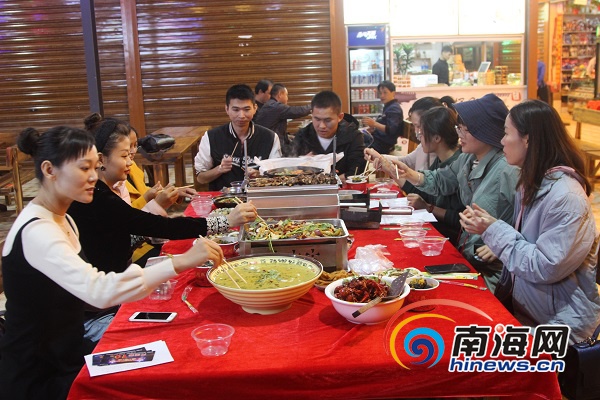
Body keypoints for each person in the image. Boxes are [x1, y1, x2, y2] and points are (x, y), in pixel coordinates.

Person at [0, 126, 224, 399]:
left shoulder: (64, 218)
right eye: (84, 168)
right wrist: (180, 261)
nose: (94, 176)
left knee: (167, 351)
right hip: (40, 374)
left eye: (95, 167)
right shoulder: (37, 231)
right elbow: (99, 292)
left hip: (69, 352)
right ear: (49, 170)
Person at [459, 100, 600, 343]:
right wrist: (490, 226)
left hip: (561, 327)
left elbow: (545, 266)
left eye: (506, 133)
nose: (502, 141)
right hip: (531, 312)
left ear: (527, 139)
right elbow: (527, 243)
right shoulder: (532, 182)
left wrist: (493, 229)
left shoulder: (566, 196)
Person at [69, 115, 258, 274]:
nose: (130, 162)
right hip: (109, 290)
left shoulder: (101, 192)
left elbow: (126, 231)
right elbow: (162, 227)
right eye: (125, 155)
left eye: (132, 153)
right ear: (101, 159)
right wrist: (226, 221)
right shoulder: (99, 198)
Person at [377, 94, 520, 291]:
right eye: (458, 128)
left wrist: (504, 243)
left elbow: (528, 218)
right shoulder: (467, 159)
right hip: (468, 255)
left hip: (494, 269)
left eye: (464, 129)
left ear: (484, 131)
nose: (459, 134)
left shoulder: (507, 168)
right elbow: (440, 180)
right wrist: (409, 174)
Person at [367, 105, 464, 243]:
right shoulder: (440, 159)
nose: (419, 137)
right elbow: (425, 194)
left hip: (449, 238)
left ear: (437, 138)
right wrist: (389, 169)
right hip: (436, 229)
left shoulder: (458, 165)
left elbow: (459, 218)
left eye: (421, 133)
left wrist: (429, 207)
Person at [195, 84, 282, 191]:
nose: (241, 115)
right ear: (227, 109)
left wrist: (260, 174)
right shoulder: (211, 137)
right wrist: (219, 169)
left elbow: (277, 177)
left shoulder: (270, 137)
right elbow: (200, 178)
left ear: (255, 108)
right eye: (236, 110)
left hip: (258, 197)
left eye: (246, 109)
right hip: (223, 199)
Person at [290, 90, 365, 180]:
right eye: (317, 119)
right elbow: (289, 169)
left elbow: (356, 172)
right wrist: (301, 162)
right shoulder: (303, 135)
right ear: (312, 114)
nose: (322, 126)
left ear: (340, 117)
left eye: (328, 120)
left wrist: (329, 180)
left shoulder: (353, 136)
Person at [255, 83, 311, 152]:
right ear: (280, 94)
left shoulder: (270, 105)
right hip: (271, 147)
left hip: (270, 144)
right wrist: (314, 106)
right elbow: (297, 111)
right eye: (286, 95)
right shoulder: (274, 107)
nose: (287, 98)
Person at [362, 80, 404, 155]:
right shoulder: (389, 106)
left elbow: (391, 130)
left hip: (383, 145)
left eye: (385, 92)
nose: (382, 96)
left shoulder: (394, 109)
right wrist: (373, 128)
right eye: (380, 93)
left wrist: (374, 124)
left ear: (393, 93)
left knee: (355, 148)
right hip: (378, 141)